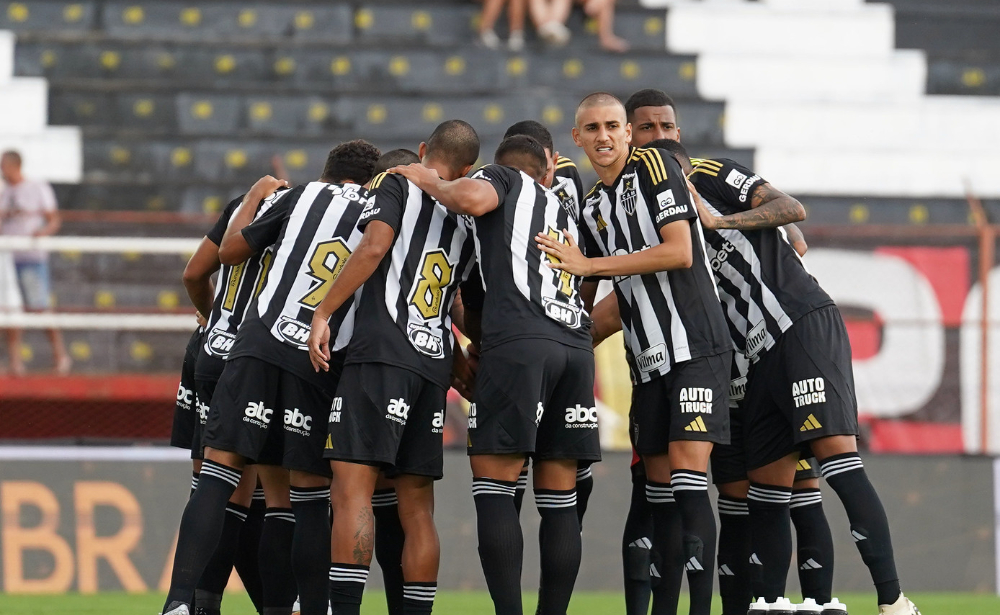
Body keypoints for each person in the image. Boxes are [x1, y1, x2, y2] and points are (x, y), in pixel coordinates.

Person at [661, 140, 919, 615]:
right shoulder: (660, 228)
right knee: (767, 488)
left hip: (798, 327)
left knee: (837, 460)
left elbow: (790, 213)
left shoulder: (708, 180)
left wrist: (721, 221)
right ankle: (772, 604)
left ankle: (893, 601)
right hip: (755, 359)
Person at [160, 140, 381, 615]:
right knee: (299, 499)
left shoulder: (292, 197)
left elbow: (225, 254)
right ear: (372, 178)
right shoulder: (381, 211)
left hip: (250, 346)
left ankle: (181, 604)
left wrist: (257, 192)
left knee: (217, 479)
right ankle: (299, 607)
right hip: (317, 356)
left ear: (326, 171)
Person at [535, 92, 733, 615]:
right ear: (577, 139)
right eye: (592, 128)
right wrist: (559, 335)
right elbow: (590, 287)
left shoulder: (654, 165)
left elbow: (679, 250)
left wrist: (589, 268)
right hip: (647, 363)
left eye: (613, 126)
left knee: (690, 486)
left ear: (628, 133)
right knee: (659, 497)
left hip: (694, 348)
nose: (603, 135)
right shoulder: (595, 206)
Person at [392, 134, 602, 615]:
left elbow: (471, 196)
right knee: (559, 495)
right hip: (574, 348)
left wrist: (427, 178)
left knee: (494, 486)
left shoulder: (501, 179)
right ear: (549, 169)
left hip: (522, 346)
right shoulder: (561, 210)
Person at [0, 150, 70, 375]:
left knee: (39, 307)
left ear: (14, 166)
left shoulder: (37, 187)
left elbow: (53, 219)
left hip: (31, 258)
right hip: (7, 259)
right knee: (10, 311)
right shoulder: (3, 193)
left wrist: (42, 233)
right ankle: (15, 363)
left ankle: (60, 357)